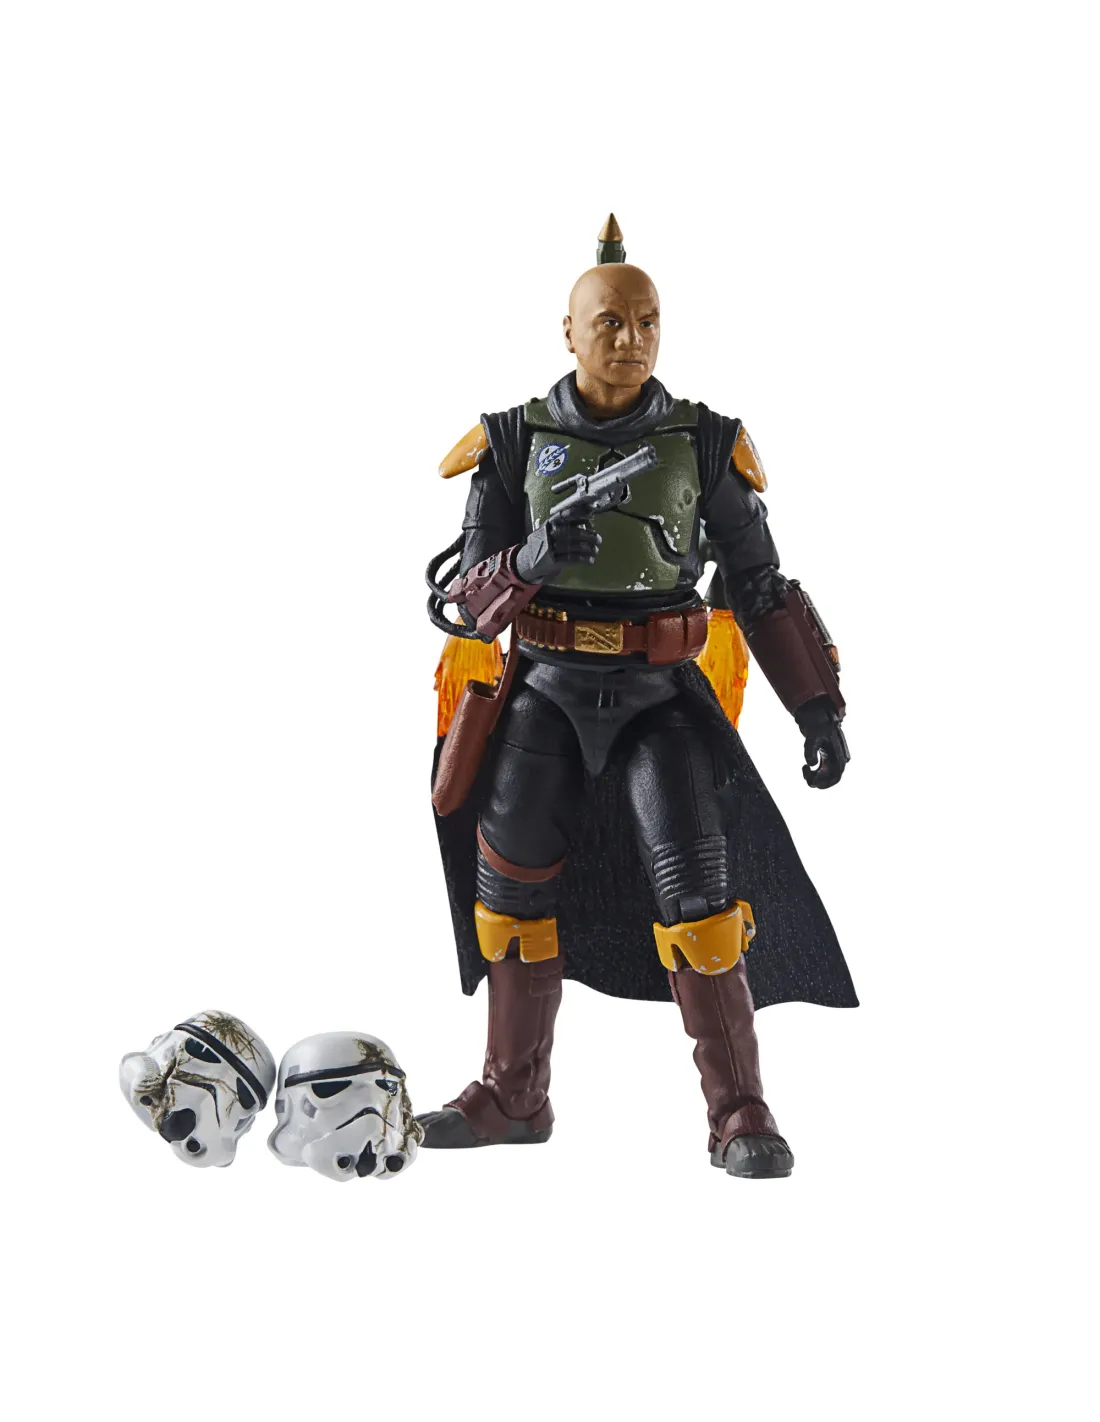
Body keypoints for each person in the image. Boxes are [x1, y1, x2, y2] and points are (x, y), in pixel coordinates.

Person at [422, 216, 855, 1178]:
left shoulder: (703, 443)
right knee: (511, 893)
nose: (631, 339)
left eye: (648, 322)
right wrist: (530, 562)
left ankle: (739, 1111)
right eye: (610, 322)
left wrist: (815, 708)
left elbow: (759, 586)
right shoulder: (511, 442)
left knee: (702, 901)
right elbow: (462, 605)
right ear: (569, 333)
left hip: (660, 696)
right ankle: (512, 1094)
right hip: (543, 692)